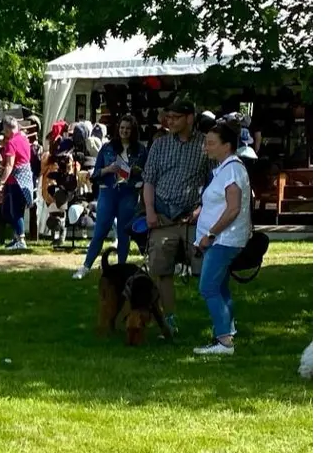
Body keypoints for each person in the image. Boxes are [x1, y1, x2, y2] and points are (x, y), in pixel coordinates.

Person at [142, 99, 215, 335]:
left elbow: (216, 181)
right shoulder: (159, 145)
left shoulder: (206, 146)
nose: (170, 122)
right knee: (161, 270)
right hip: (162, 216)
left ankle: (220, 323)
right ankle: (169, 320)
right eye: (168, 117)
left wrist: (203, 209)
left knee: (206, 270)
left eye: (175, 117)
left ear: (190, 118)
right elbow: (149, 180)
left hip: (192, 218)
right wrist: (150, 211)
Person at [193, 121, 253, 356]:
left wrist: (210, 234)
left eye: (210, 143)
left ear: (226, 145)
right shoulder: (225, 169)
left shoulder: (232, 170)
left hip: (224, 241)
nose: (205, 148)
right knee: (219, 287)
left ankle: (224, 341)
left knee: (208, 287)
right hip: (222, 239)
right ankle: (227, 331)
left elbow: (233, 208)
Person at [74, 115, 145, 279]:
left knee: (123, 233)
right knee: (100, 231)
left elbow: (146, 174)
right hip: (108, 192)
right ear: (117, 129)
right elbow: (95, 174)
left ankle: (120, 269)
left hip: (129, 193)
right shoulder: (106, 148)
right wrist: (109, 169)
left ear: (133, 130)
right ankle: (86, 266)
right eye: (122, 128)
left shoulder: (140, 150)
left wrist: (136, 172)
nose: (124, 131)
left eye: (128, 128)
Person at [0, 116, 35, 250]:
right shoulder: (25, 139)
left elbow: (9, 165)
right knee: (18, 211)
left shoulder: (11, 143)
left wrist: (1, 182)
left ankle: (21, 240)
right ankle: (16, 238)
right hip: (27, 179)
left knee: (15, 212)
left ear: (7, 130)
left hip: (16, 180)